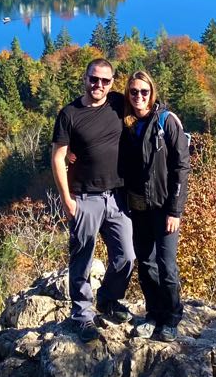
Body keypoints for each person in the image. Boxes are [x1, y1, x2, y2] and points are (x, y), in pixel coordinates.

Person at [51, 57, 135, 343]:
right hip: (84, 197)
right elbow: (58, 157)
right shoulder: (70, 114)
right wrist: (66, 200)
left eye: (105, 81)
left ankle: (108, 300)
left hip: (117, 197)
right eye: (93, 79)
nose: (98, 85)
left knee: (126, 257)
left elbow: (145, 108)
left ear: (112, 83)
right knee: (82, 257)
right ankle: (82, 315)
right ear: (84, 79)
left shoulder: (117, 103)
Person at [120, 69, 189, 342]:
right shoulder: (125, 123)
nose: (139, 96)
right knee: (146, 264)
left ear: (152, 93)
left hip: (163, 207)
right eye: (133, 91)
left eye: (144, 92)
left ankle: (171, 317)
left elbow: (181, 167)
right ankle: (153, 313)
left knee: (167, 265)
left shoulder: (166, 122)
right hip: (137, 207)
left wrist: (175, 210)